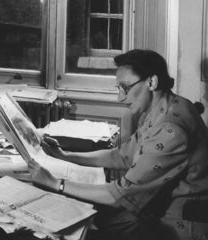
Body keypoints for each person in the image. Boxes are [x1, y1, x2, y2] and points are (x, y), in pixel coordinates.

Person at [28, 49, 208, 240]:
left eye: (125, 87)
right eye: (118, 89)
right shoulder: (163, 106)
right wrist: (66, 156)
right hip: (160, 208)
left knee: (83, 224)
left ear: (152, 82)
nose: (120, 98)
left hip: (179, 224)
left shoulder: (170, 128)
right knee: (90, 214)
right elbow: (122, 156)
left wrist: (56, 183)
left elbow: (118, 197)